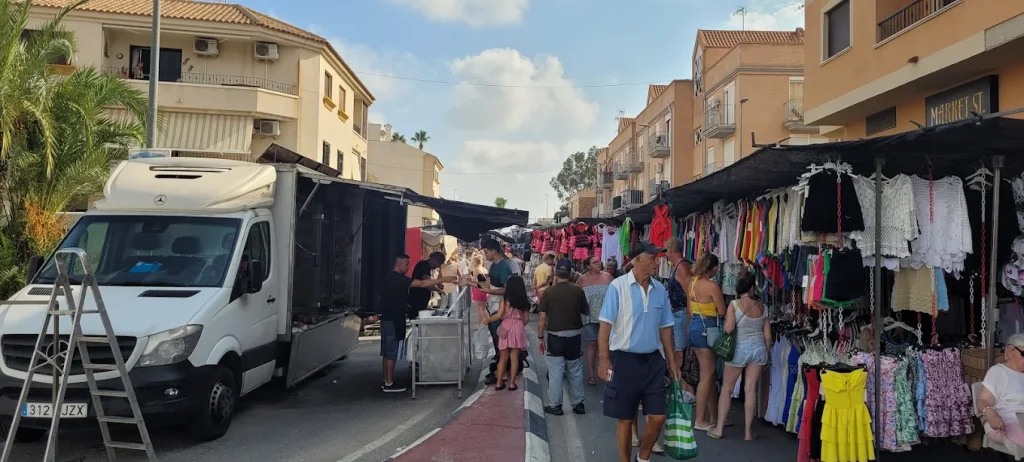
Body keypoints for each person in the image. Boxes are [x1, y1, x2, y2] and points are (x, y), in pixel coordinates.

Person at [598, 241, 681, 462]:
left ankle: (642, 457)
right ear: (638, 260)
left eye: (658, 257)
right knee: (625, 418)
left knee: (658, 416)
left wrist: (672, 363)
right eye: (653, 258)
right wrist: (604, 360)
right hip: (623, 360)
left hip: (653, 361)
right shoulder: (618, 287)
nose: (657, 261)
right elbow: (605, 326)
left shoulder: (660, 290)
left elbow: (665, 329)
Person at [379, 255, 456, 392]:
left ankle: (386, 380)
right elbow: (422, 284)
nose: (409, 268)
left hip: (386, 318)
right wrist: (444, 279)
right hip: (394, 318)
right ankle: (389, 384)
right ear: (401, 264)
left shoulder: (388, 277)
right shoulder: (398, 278)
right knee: (392, 352)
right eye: (407, 265)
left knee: (387, 352)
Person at [708, 271, 770, 440]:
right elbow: (768, 336)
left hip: (738, 350)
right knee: (750, 390)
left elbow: (728, 329)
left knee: (727, 389)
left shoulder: (734, 305)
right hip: (758, 350)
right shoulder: (763, 307)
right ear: (751, 287)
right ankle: (748, 432)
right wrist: (767, 355)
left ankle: (719, 428)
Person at [538, 258, 590, 415]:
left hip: (555, 336)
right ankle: (578, 403)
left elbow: (542, 319)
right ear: (570, 273)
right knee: (575, 369)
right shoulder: (578, 290)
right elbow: (585, 312)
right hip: (574, 335)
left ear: (556, 273)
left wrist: (540, 337)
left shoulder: (549, 292)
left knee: (556, 371)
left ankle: (555, 405)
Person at [687, 253, 728, 431]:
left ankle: (714, 416)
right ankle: (700, 419)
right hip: (708, 328)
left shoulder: (693, 283)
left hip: (695, 326)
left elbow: (690, 309)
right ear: (712, 267)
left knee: (709, 375)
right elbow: (722, 311)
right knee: (707, 375)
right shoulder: (712, 286)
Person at [481, 275, 530, 391]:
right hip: (518, 328)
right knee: (515, 358)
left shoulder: (505, 299)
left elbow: (498, 315)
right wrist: (518, 324)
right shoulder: (523, 300)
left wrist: (487, 320)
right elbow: (526, 319)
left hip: (505, 328)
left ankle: (499, 383)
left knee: (503, 357)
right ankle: (512, 384)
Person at [978, 333, 1024, 448]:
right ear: (1009, 351)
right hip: (1007, 423)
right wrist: (989, 412)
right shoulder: (998, 371)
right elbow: (982, 400)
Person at [480, 239, 516, 385]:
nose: (485, 254)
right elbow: (487, 285)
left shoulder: (503, 267)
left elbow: (507, 289)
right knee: (497, 342)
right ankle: (500, 371)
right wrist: (469, 283)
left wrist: (489, 291)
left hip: (500, 309)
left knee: (501, 342)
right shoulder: (492, 266)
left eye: (486, 251)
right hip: (493, 307)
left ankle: (503, 373)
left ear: (494, 251)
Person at [664, 238, 696, 395]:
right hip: (677, 313)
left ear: (671, 250)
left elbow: (690, 293)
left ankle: (684, 387)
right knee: (677, 350)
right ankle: (682, 386)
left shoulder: (682, 267)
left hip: (682, 313)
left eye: (666, 251)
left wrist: (689, 317)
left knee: (680, 352)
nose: (666, 255)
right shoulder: (677, 266)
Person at [577, 256, 613, 386]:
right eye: (595, 262)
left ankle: (607, 373)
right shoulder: (582, 280)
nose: (599, 263)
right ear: (588, 266)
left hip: (607, 317)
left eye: (599, 261)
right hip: (590, 317)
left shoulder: (608, 277)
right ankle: (591, 374)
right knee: (592, 345)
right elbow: (577, 298)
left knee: (608, 346)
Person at [470, 254, 488, 321]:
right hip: (485, 290)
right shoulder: (484, 269)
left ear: (475, 262)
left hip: (477, 290)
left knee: (479, 309)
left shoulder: (476, 270)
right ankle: (488, 324)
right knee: (484, 309)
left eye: (473, 261)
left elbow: (474, 281)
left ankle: (480, 325)